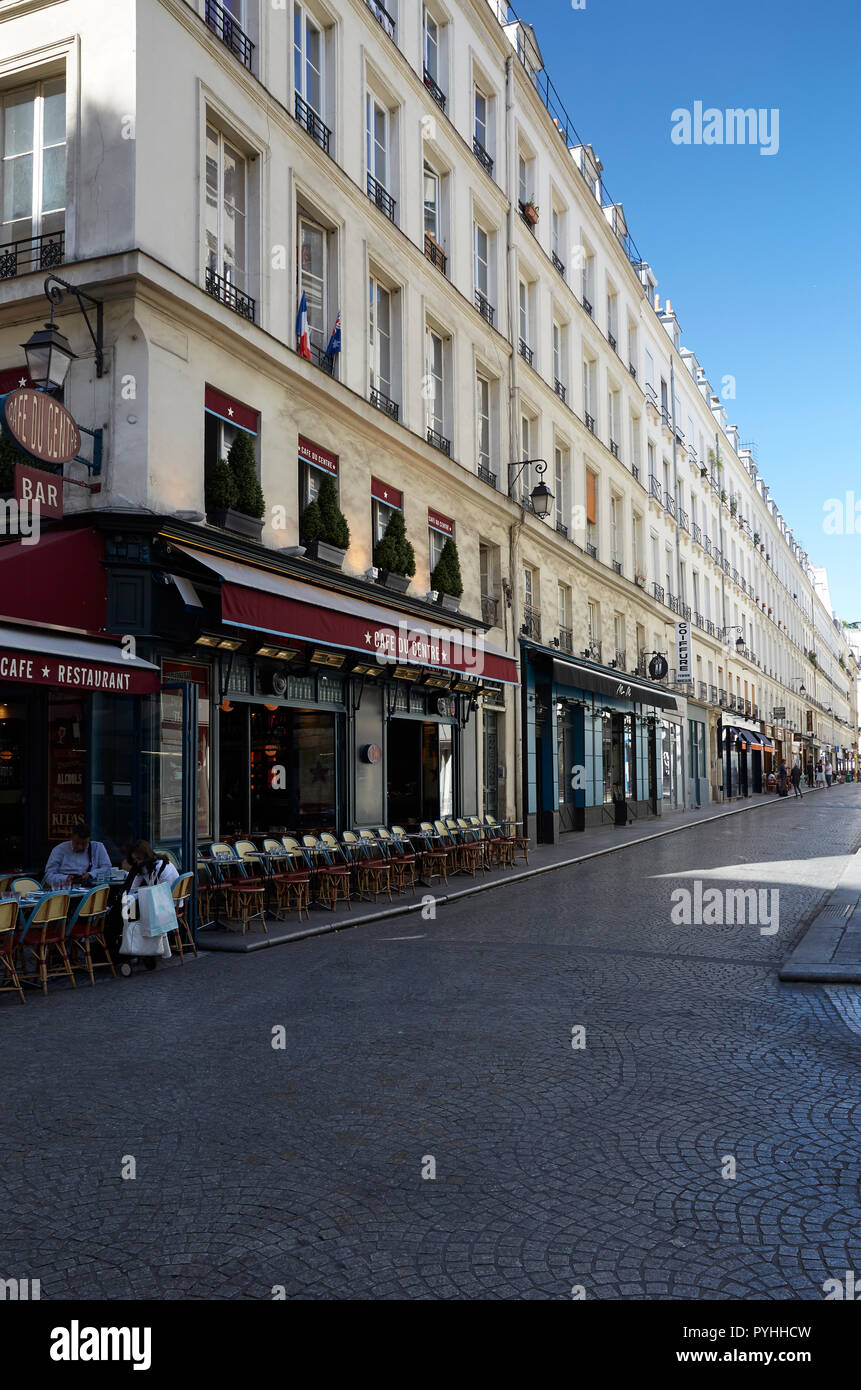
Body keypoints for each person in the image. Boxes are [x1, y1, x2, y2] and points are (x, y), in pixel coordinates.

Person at [112, 841, 179, 971]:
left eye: (138, 859)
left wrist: (128, 900)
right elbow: (132, 888)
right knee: (128, 911)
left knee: (129, 916)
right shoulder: (156, 864)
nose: (137, 862)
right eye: (135, 860)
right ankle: (142, 949)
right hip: (167, 904)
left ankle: (135, 948)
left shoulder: (158, 868)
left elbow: (157, 894)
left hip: (165, 907)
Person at [45, 822, 112, 889]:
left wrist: (91, 874)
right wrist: (65, 878)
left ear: (89, 839)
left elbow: (107, 868)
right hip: (66, 890)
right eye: (76, 843)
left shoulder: (98, 847)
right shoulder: (59, 849)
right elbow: (49, 875)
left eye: (84, 844)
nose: (80, 847)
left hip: (91, 890)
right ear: (71, 838)